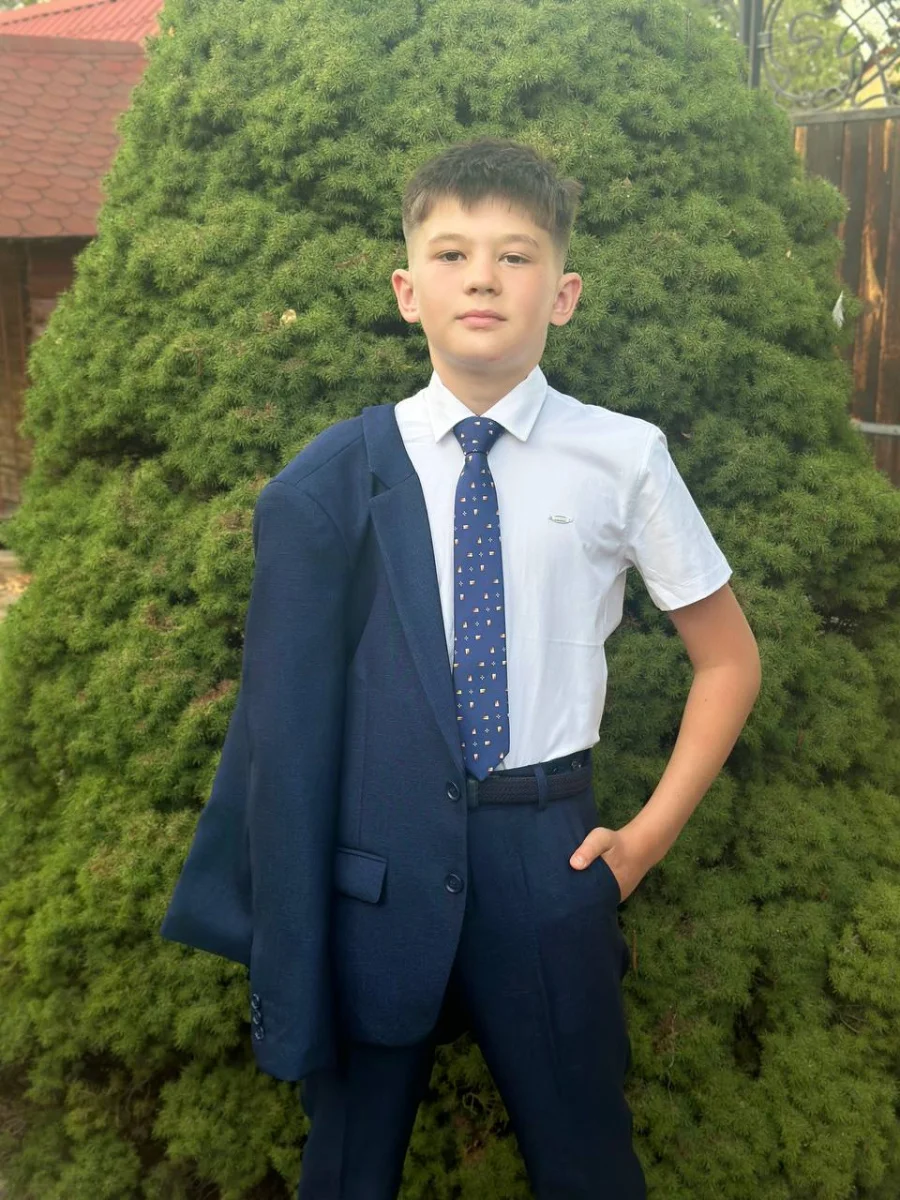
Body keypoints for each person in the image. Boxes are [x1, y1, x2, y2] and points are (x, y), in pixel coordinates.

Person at [160, 136, 762, 1199]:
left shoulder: (623, 457)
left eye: (515, 256)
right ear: (408, 292)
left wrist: (642, 844)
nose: (483, 277)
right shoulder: (336, 476)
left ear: (563, 295)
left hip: (548, 856)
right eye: (451, 254)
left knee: (588, 1165)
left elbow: (728, 660)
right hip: (373, 869)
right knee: (348, 1169)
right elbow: (285, 732)